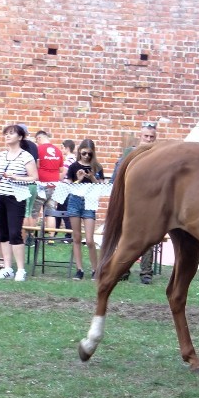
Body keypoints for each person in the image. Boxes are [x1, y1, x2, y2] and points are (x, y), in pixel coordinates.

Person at [111, 121, 160, 283]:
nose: (148, 139)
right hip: (129, 199)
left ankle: (146, 273)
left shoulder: (159, 155)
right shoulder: (129, 153)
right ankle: (123, 270)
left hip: (149, 201)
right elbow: (116, 177)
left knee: (148, 237)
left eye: (151, 137)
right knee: (125, 235)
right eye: (146, 136)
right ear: (140, 136)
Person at [0, 124, 38, 281]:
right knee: (3, 233)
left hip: (16, 197)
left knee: (14, 233)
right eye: (6, 133)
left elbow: (34, 177)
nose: (7, 136)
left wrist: (16, 177)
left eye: (11, 133)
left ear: (20, 137)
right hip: (0, 195)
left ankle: (20, 269)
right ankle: (7, 268)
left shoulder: (26, 156)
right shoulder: (0, 156)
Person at [65, 139, 104, 281]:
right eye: (84, 153)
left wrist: (92, 177)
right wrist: (79, 179)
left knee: (89, 240)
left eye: (89, 154)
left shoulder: (97, 167)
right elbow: (68, 187)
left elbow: (101, 188)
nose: (86, 156)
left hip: (90, 202)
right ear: (79, 151)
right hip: (75, 201)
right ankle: (79, 269)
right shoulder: (73, 166)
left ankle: (95, 270)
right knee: (76, 237)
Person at [33, 130, 64, 233]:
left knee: (34, 211)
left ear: (39, 138)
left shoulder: (38, 149)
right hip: (54, 184)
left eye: (36, 140)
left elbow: (35, 165)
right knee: (50, 212)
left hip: (41, 184)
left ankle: (30, 235)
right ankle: (51, 237)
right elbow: (61, 170)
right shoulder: (58, 151)